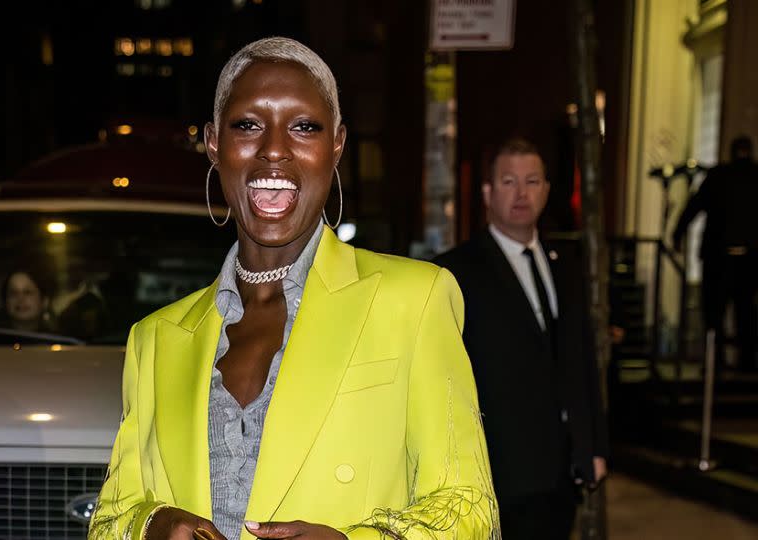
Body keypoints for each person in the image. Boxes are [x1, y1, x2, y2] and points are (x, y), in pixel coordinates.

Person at [90, 37, 499, 540]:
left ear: (337, 145)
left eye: (304, 127)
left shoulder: (414, 300)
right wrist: (152, 526)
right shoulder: (154, 340)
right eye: (248, 125)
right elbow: (110, 517)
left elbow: (470, 510)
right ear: (214, 143)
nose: (275, 150)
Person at [434, 138, 607, 540]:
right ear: (488, 193)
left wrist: (593, 446)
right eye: (509, 182)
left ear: (546, 190)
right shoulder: (456, 272)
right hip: (497, 472)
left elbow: (580, 362)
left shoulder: (564, 264)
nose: (521, 193)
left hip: (560, 473)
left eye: (532, 181)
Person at [672, 135, 758, 371]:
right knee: (745, 312)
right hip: (745, 258)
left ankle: (717, 362)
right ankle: (745, 363)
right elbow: (696, 204)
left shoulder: (719, 176)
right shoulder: (738, 177)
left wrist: (678, 233)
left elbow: (695, 205)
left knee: (716, 313)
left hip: (721, 257)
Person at [0, 269, 54, 333]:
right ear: (5, 301)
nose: (20, 298)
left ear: (44, 301)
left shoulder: (55, 341)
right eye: (13, 293)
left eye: (27, 292)